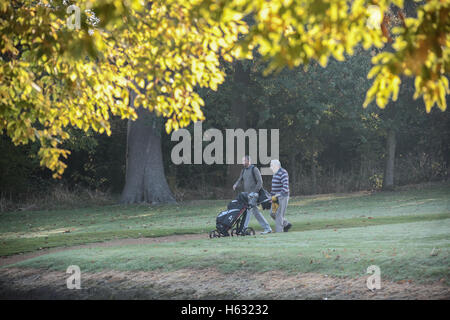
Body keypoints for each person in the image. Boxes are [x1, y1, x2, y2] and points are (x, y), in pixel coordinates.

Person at [233, 155, 273, 235]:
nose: (243, 162)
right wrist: (236, 184)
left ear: (248, 161)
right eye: (242, 161)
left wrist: (254, 192)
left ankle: (243, 229)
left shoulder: (254, 169)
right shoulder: (243, 170)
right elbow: (240, 179)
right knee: (255, 212)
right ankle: (267, 228)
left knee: (248, 210)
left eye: (244, 161)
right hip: (248, 195)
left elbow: (260, 182)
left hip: (254, 194)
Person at [270, 159, 292, 233]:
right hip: (275, 197)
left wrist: (280, 195)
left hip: (283, 196)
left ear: (277, 166)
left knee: (279, 215)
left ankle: (279, 232)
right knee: (272, 213)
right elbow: (274, 186)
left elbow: (285, 186)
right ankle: (286, 224)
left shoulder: (283, 172)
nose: (270, 167)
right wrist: (272, 196)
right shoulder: (275, 173)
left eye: (272, 166)